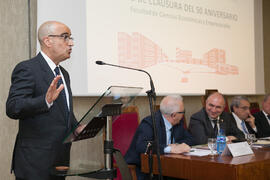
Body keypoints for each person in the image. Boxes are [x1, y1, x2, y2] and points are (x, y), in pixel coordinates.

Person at [6, 21, 79, 180]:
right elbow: (13, 107)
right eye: (65, 37)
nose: (71, 43)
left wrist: (78, 127)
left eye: (71, 38)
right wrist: (44, 100)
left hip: (60, 158)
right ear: (48, 41)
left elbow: (64, 111)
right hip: (35, 161)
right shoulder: (28, 69)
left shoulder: (64, 73)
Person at [125, 95, 192, 180]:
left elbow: (190, 139)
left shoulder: (178, 123)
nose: (183, 115)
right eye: (183, 112)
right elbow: (142, 146)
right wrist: (169, 149)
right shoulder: (149, 123)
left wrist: (177, 146)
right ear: (174, 115)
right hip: (144, 170)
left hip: (167, 167)